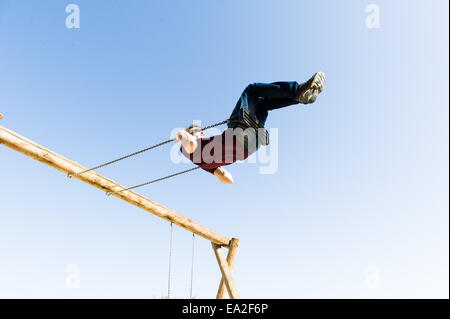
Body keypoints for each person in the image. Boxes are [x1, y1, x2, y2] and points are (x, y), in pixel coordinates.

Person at [175, 72, 326, 184]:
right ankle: (296, 90)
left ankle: (299, 97)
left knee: (263, 105)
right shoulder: (187, 149)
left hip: (250, 148)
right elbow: (191, 144)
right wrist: (181, 133)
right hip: (237, 135)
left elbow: (228, 179)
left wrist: (216, 165)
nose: (201, 132)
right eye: (197, 131)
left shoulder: (204, 164)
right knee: (252, 90)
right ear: (190, 134)